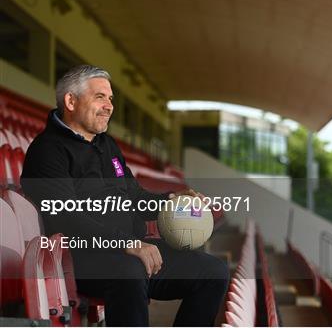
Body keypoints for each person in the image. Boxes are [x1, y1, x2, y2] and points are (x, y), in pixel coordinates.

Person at [21, 65, 229, 327]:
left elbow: (134, 197)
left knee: (214, 272)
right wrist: (125, 244)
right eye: (100, 97)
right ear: (70, 101)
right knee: (131, 271)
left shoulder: (106, 145)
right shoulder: (47, 151)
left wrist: (174, 201)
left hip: (128, 250)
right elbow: (64, 216)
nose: (109, 106)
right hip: (82, 258)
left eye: (110, 99)